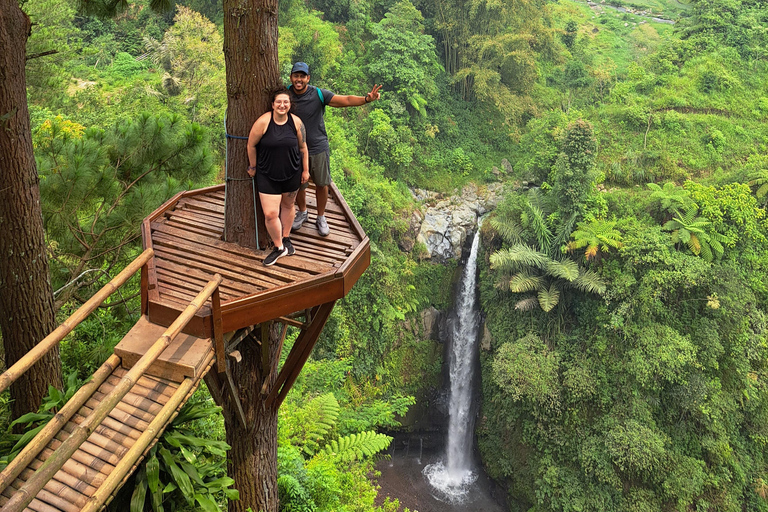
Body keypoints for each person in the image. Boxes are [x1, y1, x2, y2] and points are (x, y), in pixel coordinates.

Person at [288, 61, 382, 236]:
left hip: (317, 147)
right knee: (299, 183)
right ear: (291, 77)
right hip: (294, 149)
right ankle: (302, 212)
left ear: (308, 78)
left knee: (322, 184)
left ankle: (321, 217)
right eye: (296, 76)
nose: (299, 79)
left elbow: (344, 100)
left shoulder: (318, 94)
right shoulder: (285, 95)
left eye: (302, 76)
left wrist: (367, 99)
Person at [247, 87, 310, 266]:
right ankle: (279, 247)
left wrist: (305, 170)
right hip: (267, 174)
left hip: (292, 173)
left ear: (290, 104)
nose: (282, 105)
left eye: (286, 102)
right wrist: (252, 166)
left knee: (289, 206)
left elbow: (303, 148)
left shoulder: (296, 122)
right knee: (270, 214)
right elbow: (251, 145)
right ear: (273, 104)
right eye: (279, 102)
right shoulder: (264, 122)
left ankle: (286, 238)